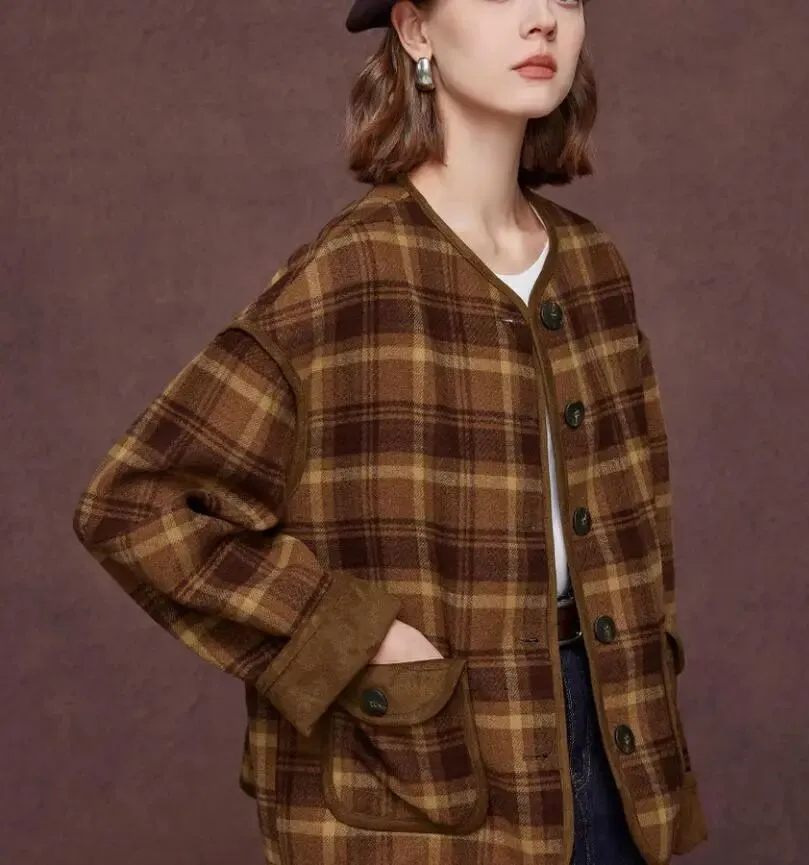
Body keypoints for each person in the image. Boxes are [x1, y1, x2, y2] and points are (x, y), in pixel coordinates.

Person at [72, 0, 709, 862]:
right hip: (425, 774)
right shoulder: (350, 271)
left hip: (617, 750)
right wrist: (352, 633)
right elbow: (136, 505)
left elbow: (643, 518)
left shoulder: (594, 267)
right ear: (414, 30)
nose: (541, 21)